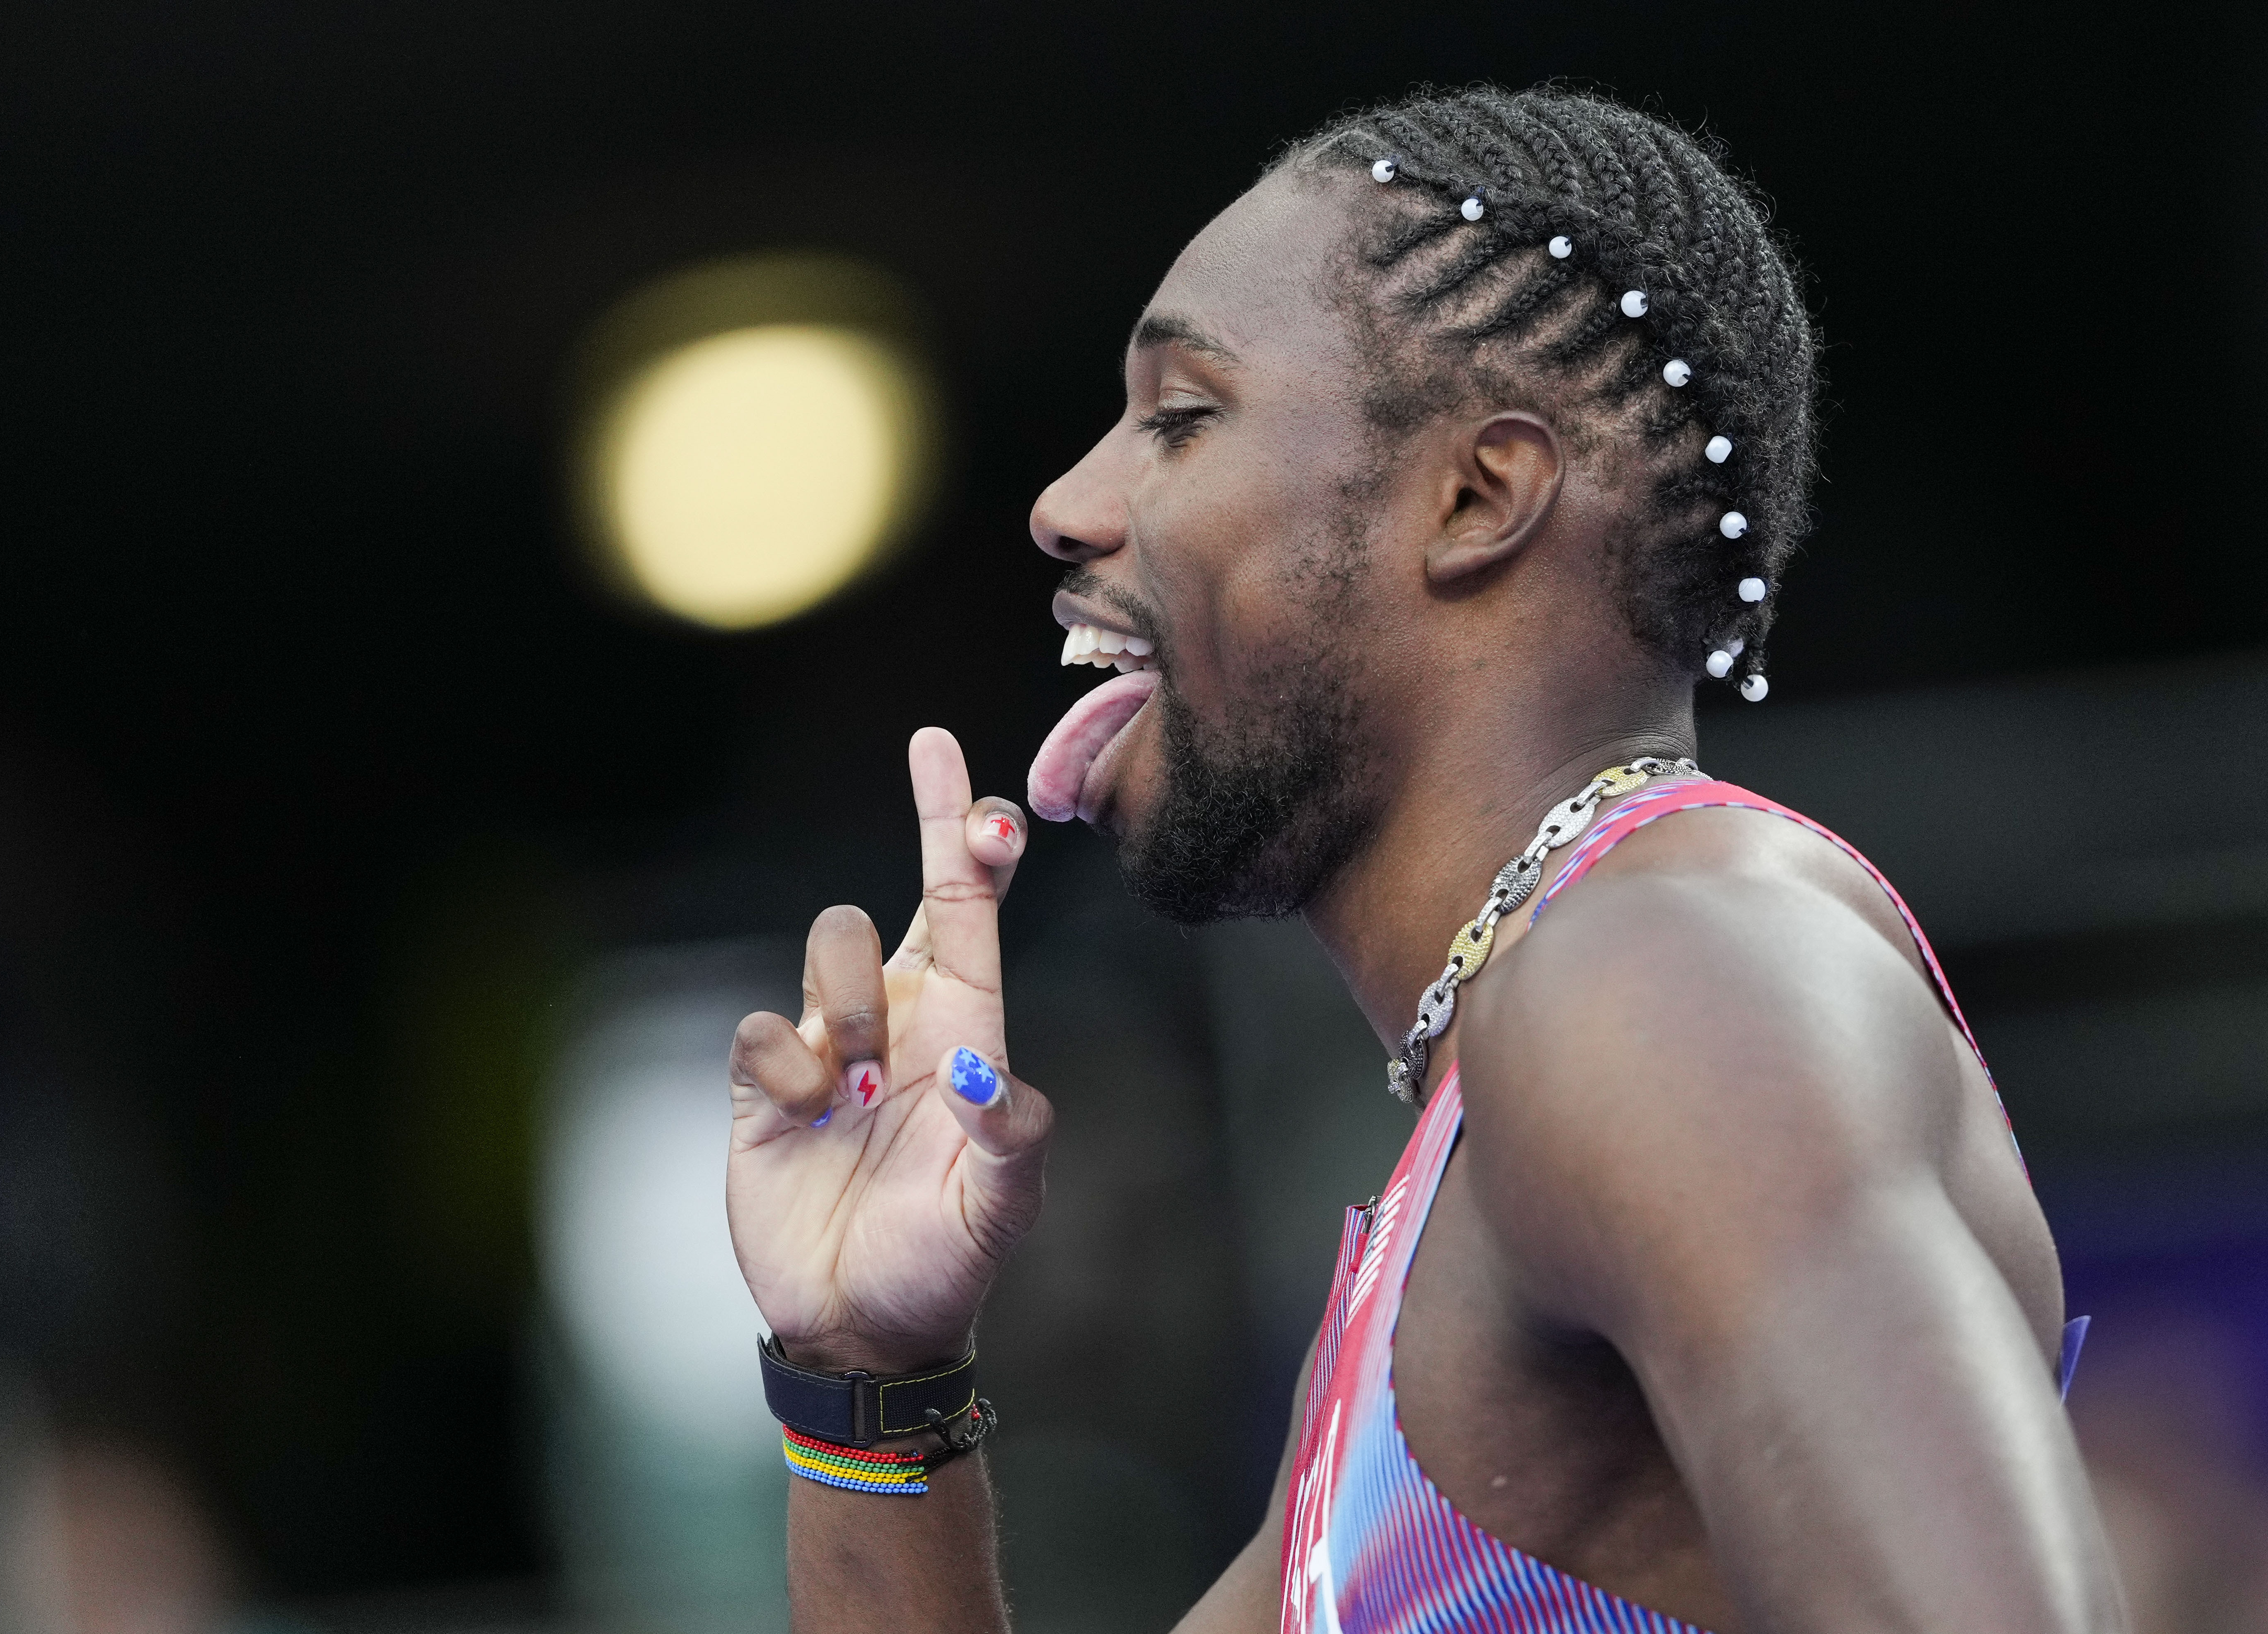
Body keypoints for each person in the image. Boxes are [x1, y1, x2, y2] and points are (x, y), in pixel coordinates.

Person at [724, 85, 2126, 1633]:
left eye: (1182, 417)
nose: (1066, 506)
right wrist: (870, 1380)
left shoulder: (1670, 983)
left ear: (1476, 499)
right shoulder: (1475, 1162)